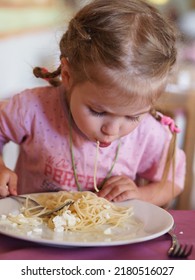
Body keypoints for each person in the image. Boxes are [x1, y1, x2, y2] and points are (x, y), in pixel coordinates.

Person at [0, 0, 185, 207]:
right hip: (31, 230)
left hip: (110, 237)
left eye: (132, 116)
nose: (111, 130)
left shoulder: (148, 133)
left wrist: (141, 196)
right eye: (97, 111)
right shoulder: (34, 108)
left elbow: (172, 182)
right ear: (68, 76)